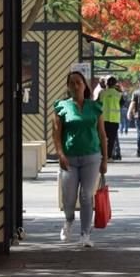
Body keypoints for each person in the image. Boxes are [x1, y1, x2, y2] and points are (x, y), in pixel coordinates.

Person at [52, 70, 108, 248]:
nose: (76, 86)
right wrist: (60, 154)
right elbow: (56, 134)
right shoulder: (61, 106)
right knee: (68, 198)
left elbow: (102, 134)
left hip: (92, 156)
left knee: (86, 196)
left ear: (84, 85)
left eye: (79, 82)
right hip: (69, 158)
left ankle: (85, 234)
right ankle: (69, 220)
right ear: (68, 87)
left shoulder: (95, 107)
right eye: (72, 83)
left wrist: (105, 159)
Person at [99, 77, 123, 161]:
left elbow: (98, 104)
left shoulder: (102, 93)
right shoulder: (119, 94)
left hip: (103, 119)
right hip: (114, 120)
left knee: (102, 137)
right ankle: (108, 156)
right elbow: (122, 104)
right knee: (111, 139)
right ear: (115, 84)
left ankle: (102, 155)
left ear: (107, 84)